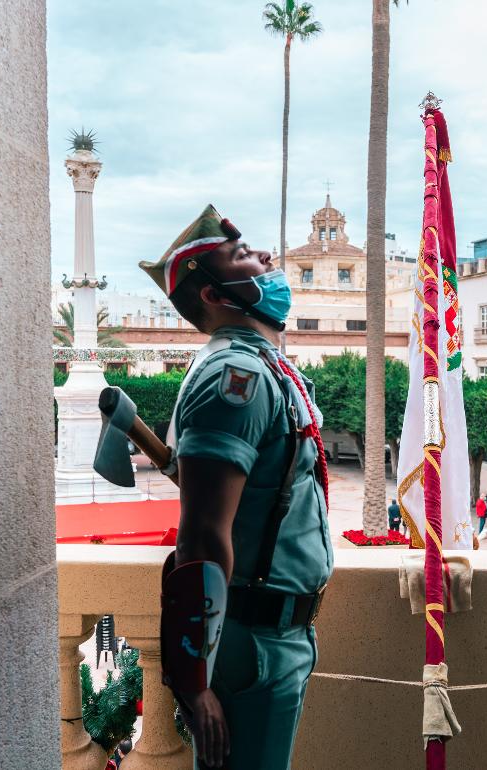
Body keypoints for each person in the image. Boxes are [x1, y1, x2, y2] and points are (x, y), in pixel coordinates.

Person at [139, 205, 332, 770]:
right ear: (214, 294)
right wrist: (194, 680)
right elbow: (202, 533)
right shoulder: (233, 379)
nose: (267, 256)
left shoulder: (263, 368)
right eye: (244, 256)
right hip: (253, 641)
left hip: (276, 633)